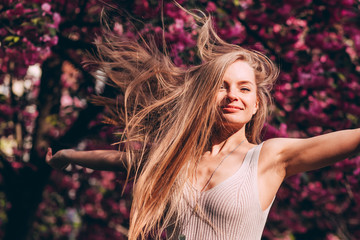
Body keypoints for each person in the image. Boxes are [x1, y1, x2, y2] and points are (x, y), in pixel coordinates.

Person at [46, 11, 360, 240]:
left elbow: (352, 139)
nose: (233, 95)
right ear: (204, 99)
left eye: (244, 88)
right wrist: (67, 156)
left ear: (255, 106)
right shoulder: (173, 158)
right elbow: (118, 159)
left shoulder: (269, 158)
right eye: (221, 86)